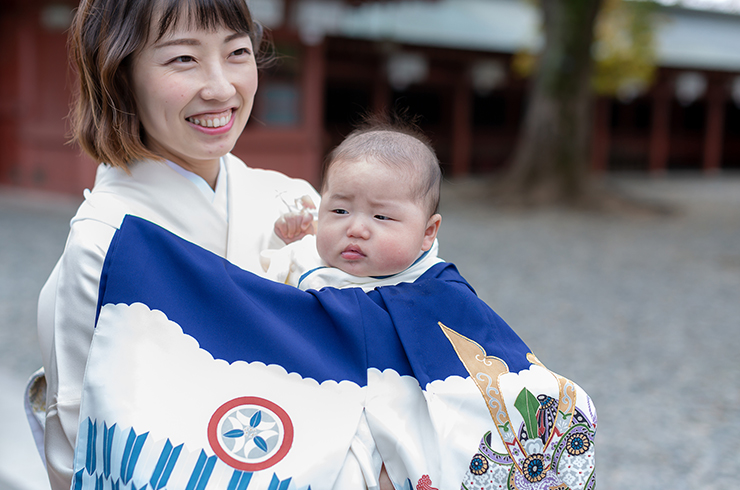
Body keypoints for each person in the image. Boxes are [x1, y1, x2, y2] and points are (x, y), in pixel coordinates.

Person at [35, 1, 319, 488]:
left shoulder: (292, 198)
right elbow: (92, 452)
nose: (221, 87)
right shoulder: (104, 242)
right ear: (118, 75)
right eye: (183, 59)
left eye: (236, 52)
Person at [261, 118, 444, 291]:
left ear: (427, 233)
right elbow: (270, 278)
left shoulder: (438, 285)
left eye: (381, 216)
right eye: (340, 211)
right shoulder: (308, 260)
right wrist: (286, 244)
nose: (355, 230)